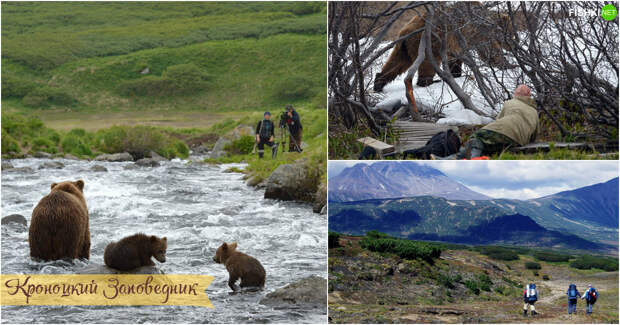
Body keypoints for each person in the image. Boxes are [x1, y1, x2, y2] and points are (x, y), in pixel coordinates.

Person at [432, 84, 539, 159]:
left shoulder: (510, 103)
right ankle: (451, 159)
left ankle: (472, 161)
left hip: (502, 130)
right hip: (517, 140)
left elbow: (498, 122)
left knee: (477, 137)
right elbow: (534, 135)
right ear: (528, 96)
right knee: (484, 147)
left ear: (516, 94)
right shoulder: (534, 111)